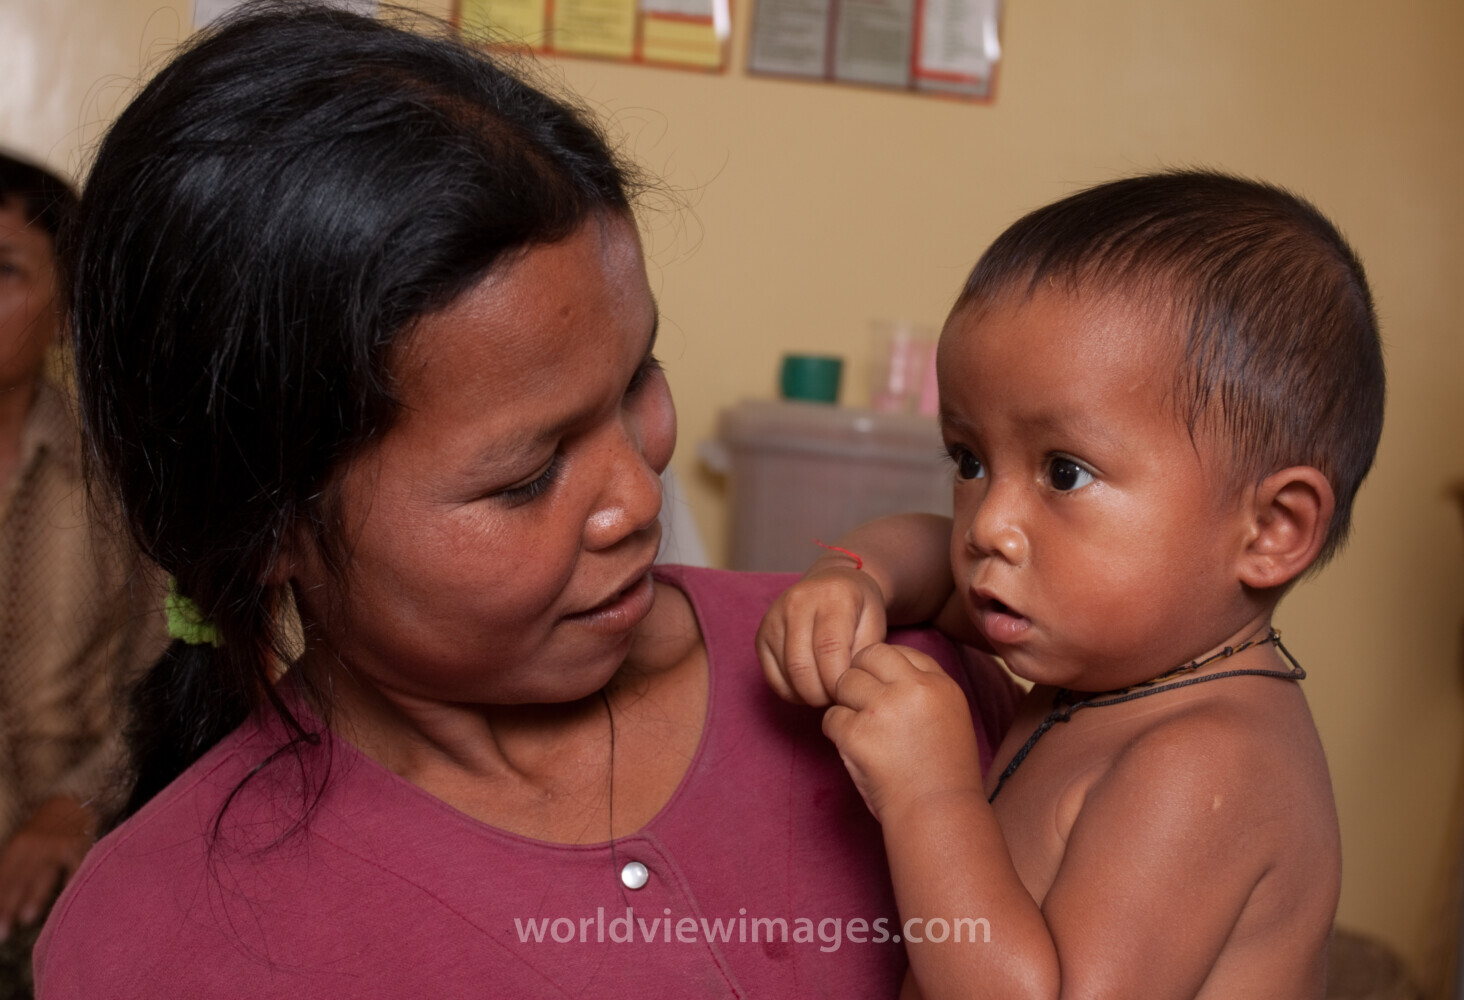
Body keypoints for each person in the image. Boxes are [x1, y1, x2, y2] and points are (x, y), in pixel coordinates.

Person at [33, 5, 1019, 996]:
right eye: (526, 478)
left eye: (639, 378)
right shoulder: (153, 941)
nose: (637, 496)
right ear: (266, 527)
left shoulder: (891, 688)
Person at [758, 171, 1382, 998]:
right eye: (970, 461)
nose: (988, 524)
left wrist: (931, 795)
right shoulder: (1114, 658)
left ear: (1270, 530)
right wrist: (855, 576)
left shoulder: (1206, 764)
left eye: (1064, 471)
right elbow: (933, 554)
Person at [0, 152, 162, 975]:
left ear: (65, 311)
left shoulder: (122, 488)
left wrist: (72, 808)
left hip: (72, 867)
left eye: (4, 271)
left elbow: (166, 679)